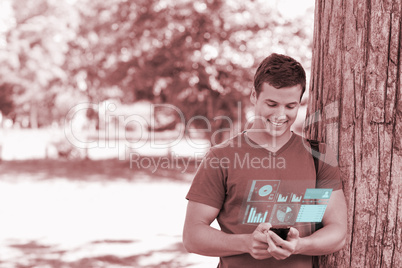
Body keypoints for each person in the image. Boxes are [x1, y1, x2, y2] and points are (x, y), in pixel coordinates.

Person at [182, 53, 347, 268]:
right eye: (272, 104)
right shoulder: (221, 157)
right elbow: (193, 235)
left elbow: (337, 231)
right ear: (253, 95)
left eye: (290, 106)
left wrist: (299, 246)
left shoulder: (319, 157)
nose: (280, 114)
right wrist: (246, 243)